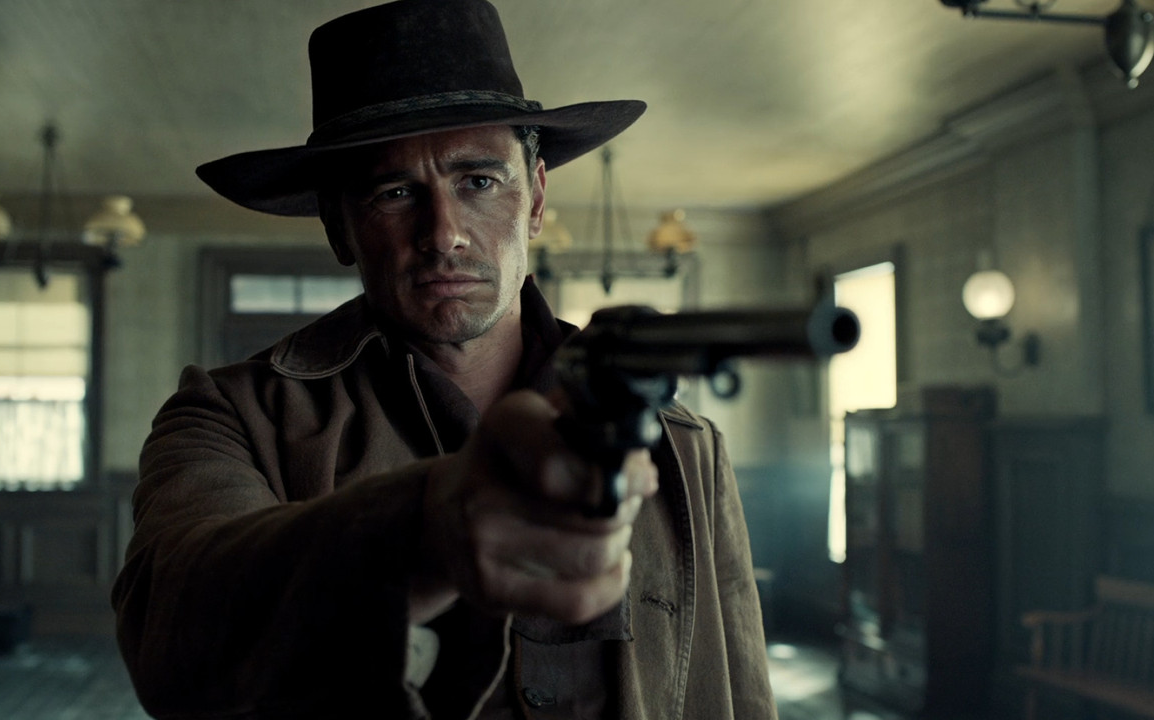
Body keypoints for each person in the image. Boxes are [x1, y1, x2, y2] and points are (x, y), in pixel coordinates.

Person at [111, 1, 776, 717]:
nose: (443, 233)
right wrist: (421, 533)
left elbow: (735, 687)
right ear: (339, 226)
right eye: (395, 193)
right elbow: (171, 632)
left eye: (479, 182)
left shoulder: (685, 447)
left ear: (536, 199)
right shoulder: (231, 418)